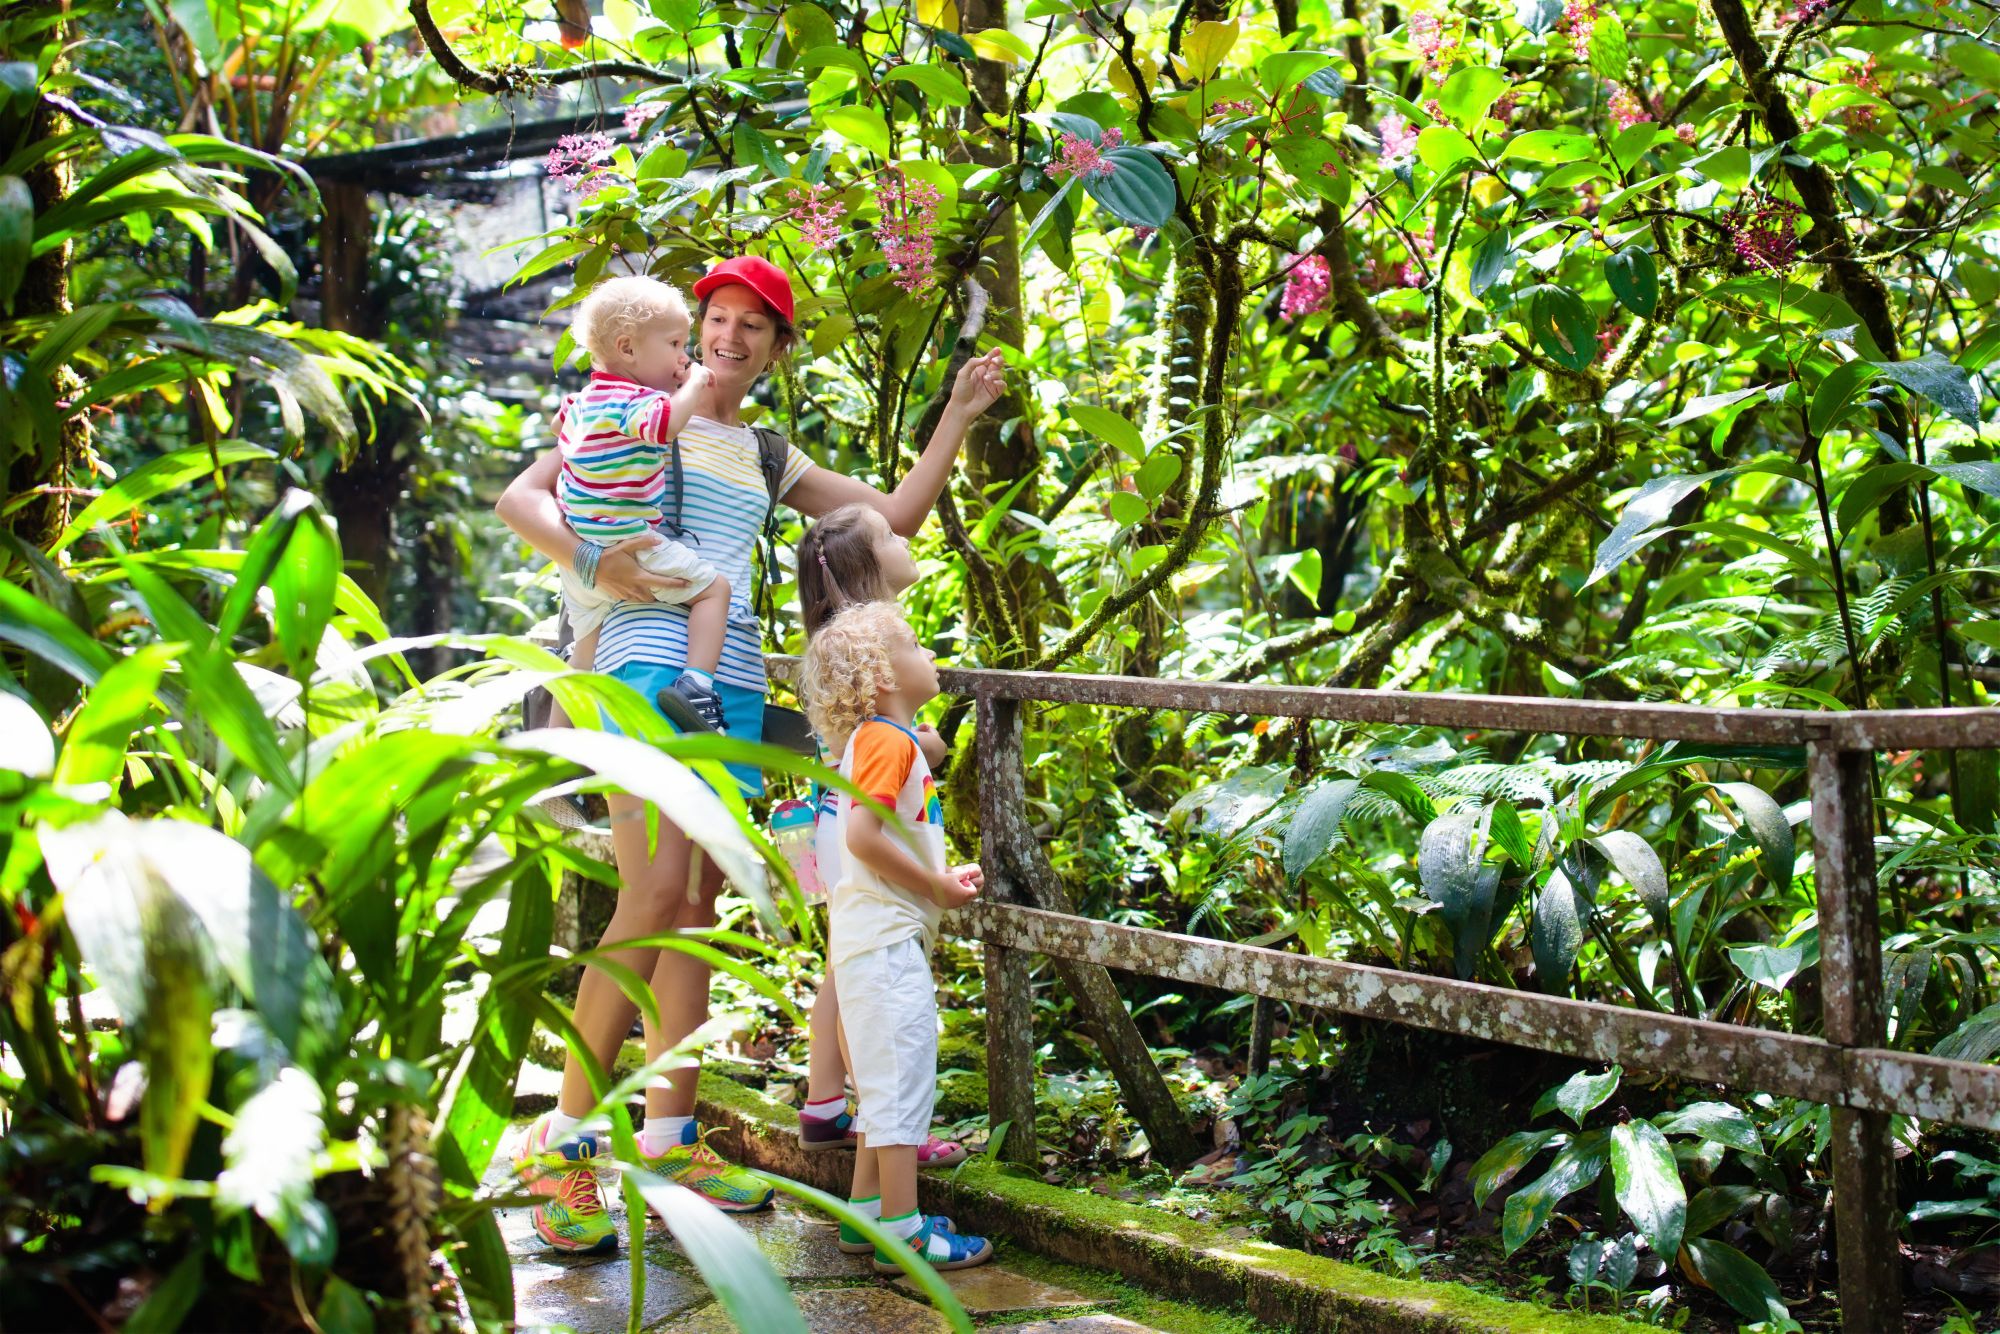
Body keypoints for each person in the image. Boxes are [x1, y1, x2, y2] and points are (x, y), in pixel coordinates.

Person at [495, 253, 1006, 1254]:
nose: (726, 337)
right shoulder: (635, 403)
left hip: (724, 678)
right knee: (649, 896)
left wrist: (955, 414)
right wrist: (597, 564)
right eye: (713, 318)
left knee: (691, 904)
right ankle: (562, 1143)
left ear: (773, 348)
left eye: (750, 326)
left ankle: (670, 1135)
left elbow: (888, 519)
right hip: (638, 662)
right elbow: (524, 501)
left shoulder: (765, 453)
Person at [800, 600, 994, 1273]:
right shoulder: (889, 739)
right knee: (901, 1089)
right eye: (915, 644)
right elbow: (862, 836)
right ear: (882, 673)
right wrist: (936, 888)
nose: (930, 654)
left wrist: (937, 873)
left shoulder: (869, 743)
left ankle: (865, 1218)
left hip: (870, 941)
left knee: (884, 1083)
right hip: (884, 949)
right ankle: (905, 1235)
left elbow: (880, 835)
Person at [791, 506, 964, 1167]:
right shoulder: (868, 646)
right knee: (864, 967)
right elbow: (873, 753)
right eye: (890, 536)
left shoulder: (847, 640)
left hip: (830, 817)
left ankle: (830, 1104)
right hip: (851, 825)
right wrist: (925, 744)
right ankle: (887, 1125)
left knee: (849, 958)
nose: (905, 537)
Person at [551, 275, 730, 734]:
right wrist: (697, 382)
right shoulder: (636, 400)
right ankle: (697, 683)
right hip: (630, 541)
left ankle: (555, 747)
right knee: (715, 591)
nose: (682, 356)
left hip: (580, 556)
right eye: (674, 343)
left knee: (583, 646)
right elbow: (666, 424)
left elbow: (560, 428)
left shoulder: (581, 400)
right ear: (627, 349)